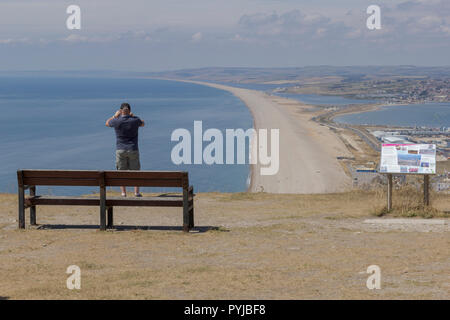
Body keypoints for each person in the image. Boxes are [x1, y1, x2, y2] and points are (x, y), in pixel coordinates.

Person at [106, 103, 145, 197]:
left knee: (121, 172)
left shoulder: (116, 121)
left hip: (120, 149)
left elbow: (107, 123)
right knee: (135, 172)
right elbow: (143, 123)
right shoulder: (135, 120)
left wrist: (114, 116)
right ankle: (136, 192)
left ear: (120, 111)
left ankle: (123, 193)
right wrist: (133, 115)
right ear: (130, 110)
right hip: (133, 149)